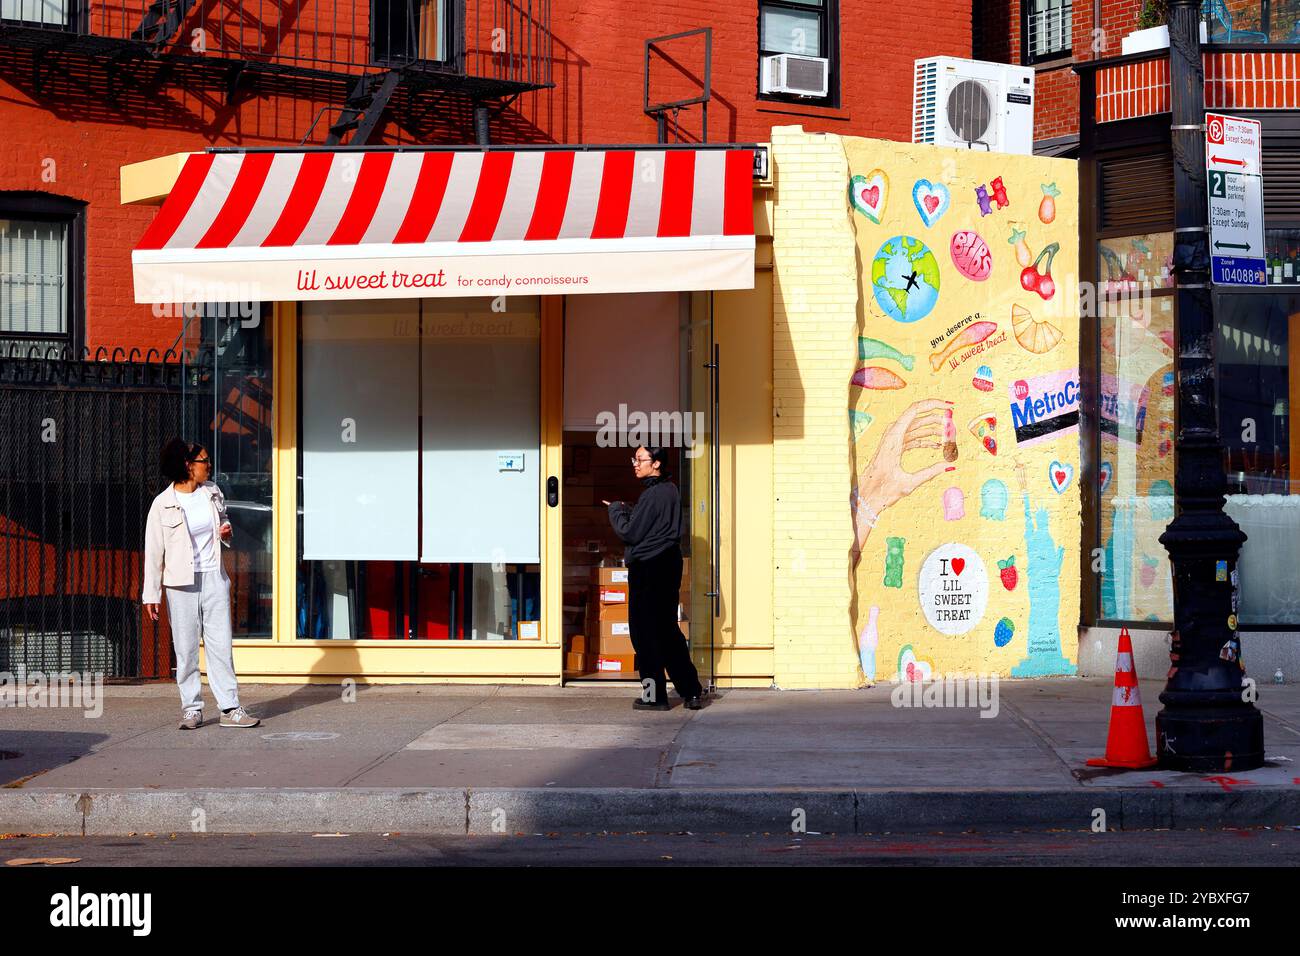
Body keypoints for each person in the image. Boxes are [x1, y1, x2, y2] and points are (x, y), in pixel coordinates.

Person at [142, 438, 260, 730]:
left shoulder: (212, 492)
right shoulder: (163, 504)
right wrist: (151, 594)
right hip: (180, 583)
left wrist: (225, 532)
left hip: (213, 577)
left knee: (221, 644)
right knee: (185, 648)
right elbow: (154, 552)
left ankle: (230, 708)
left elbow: (223, 524)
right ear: (187, 465)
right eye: (203, 461)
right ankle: (192, 709)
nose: (209, 465)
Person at [603, 445, 704, 711]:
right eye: (634, 459)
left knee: (643, 633)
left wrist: (615, 510)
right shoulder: (669, 491)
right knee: (668, 631)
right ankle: (691, 691)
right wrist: (629, 509)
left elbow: (630, 533)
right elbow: (650, 525)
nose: (635, 464)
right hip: (669, 564)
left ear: (656, 463)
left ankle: (653, 696)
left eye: (640, 459)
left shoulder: (653, 494)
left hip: (648, 567)